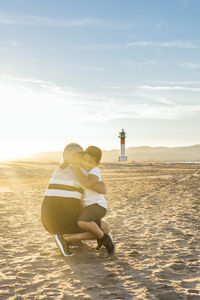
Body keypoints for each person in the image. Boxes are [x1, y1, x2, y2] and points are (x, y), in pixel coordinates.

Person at [41, 143, 108, 257]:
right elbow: (102, 189)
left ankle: (72, 240)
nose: (83, 158)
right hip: (60, 222)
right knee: (105, 228)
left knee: (78, 207)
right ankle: (66, 238)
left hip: (47, 221)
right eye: (81, 155)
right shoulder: (80, 172)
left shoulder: (59, 169)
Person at [70, 146, 115, 255]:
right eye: (84, 160)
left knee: (82, 222)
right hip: (89, 206)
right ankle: (102, 234)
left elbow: (88, 183)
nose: (86, 163)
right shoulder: (84, 170)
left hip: (97, 206)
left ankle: (104, 238)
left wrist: (76, 170)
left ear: (97, 164)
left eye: (90, 162)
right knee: (92, 226)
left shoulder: (95, 170)